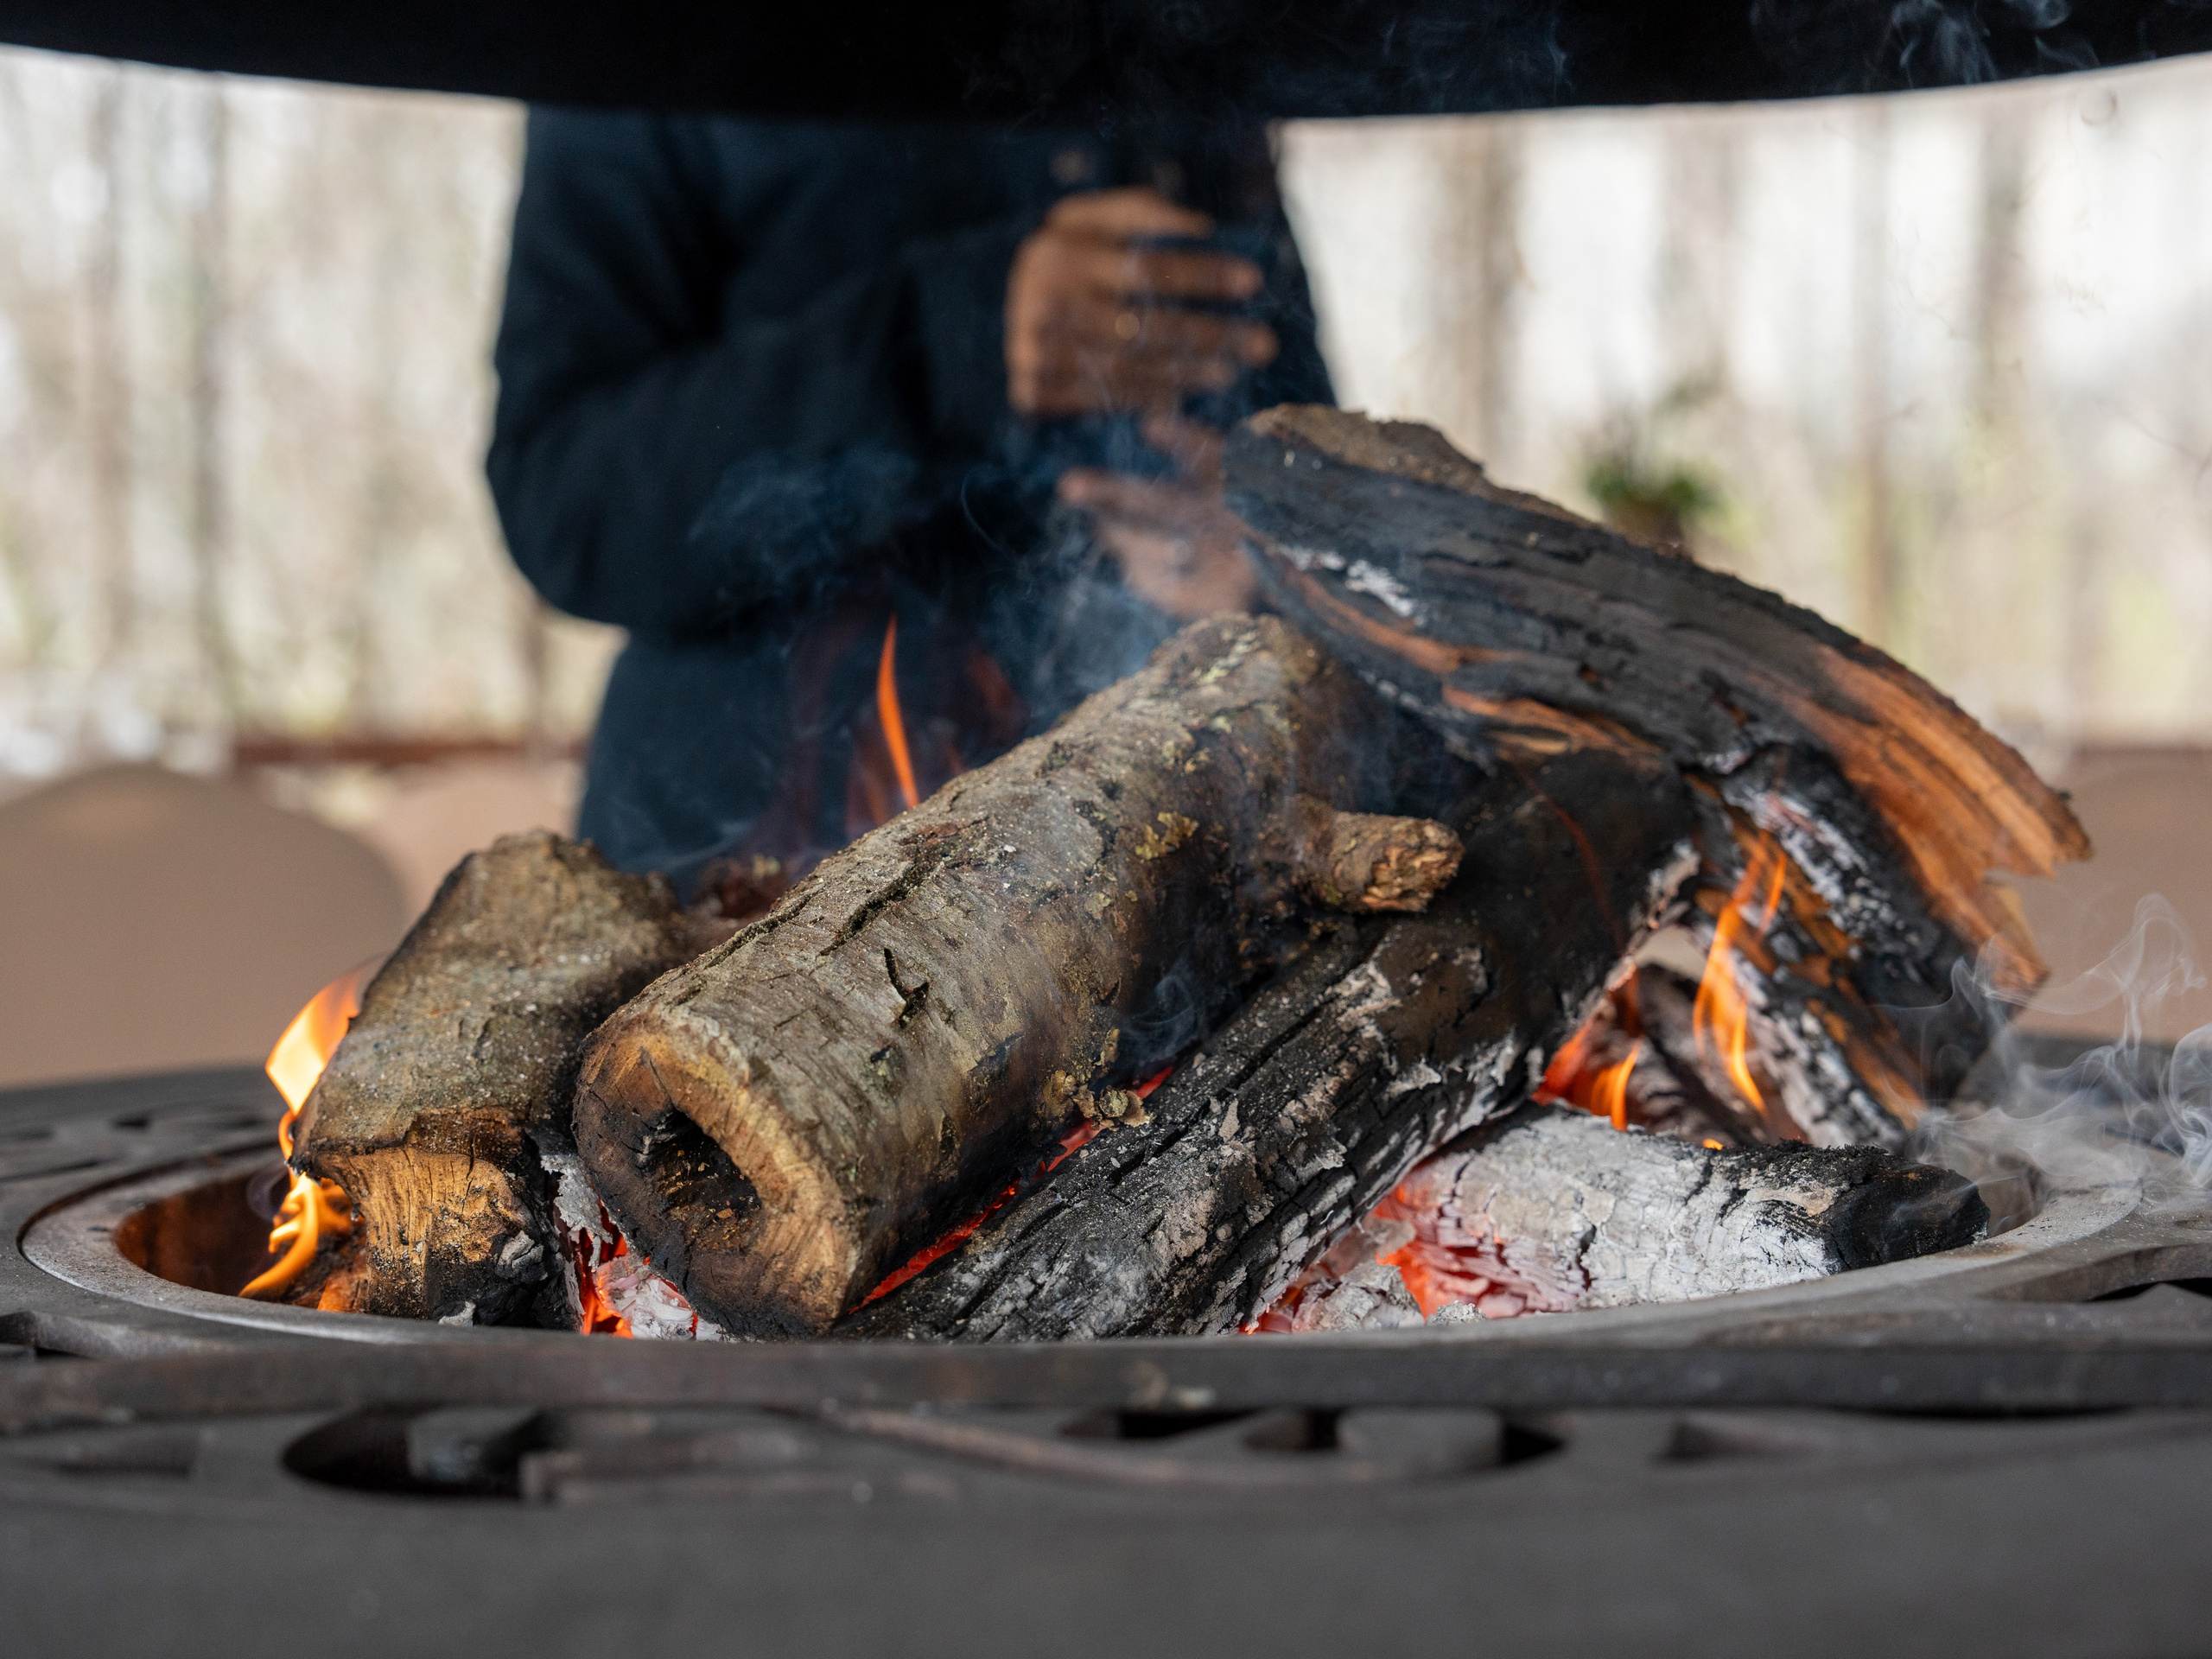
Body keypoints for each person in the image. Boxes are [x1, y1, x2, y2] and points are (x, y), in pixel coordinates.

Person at [486, 113, 1332, 888]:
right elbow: (566, 501)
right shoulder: (637, 45)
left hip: (1144, 872)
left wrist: (1271, 552)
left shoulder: (1181, 41)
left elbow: (1309, 474)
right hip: (744, 881)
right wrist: (942, 340)